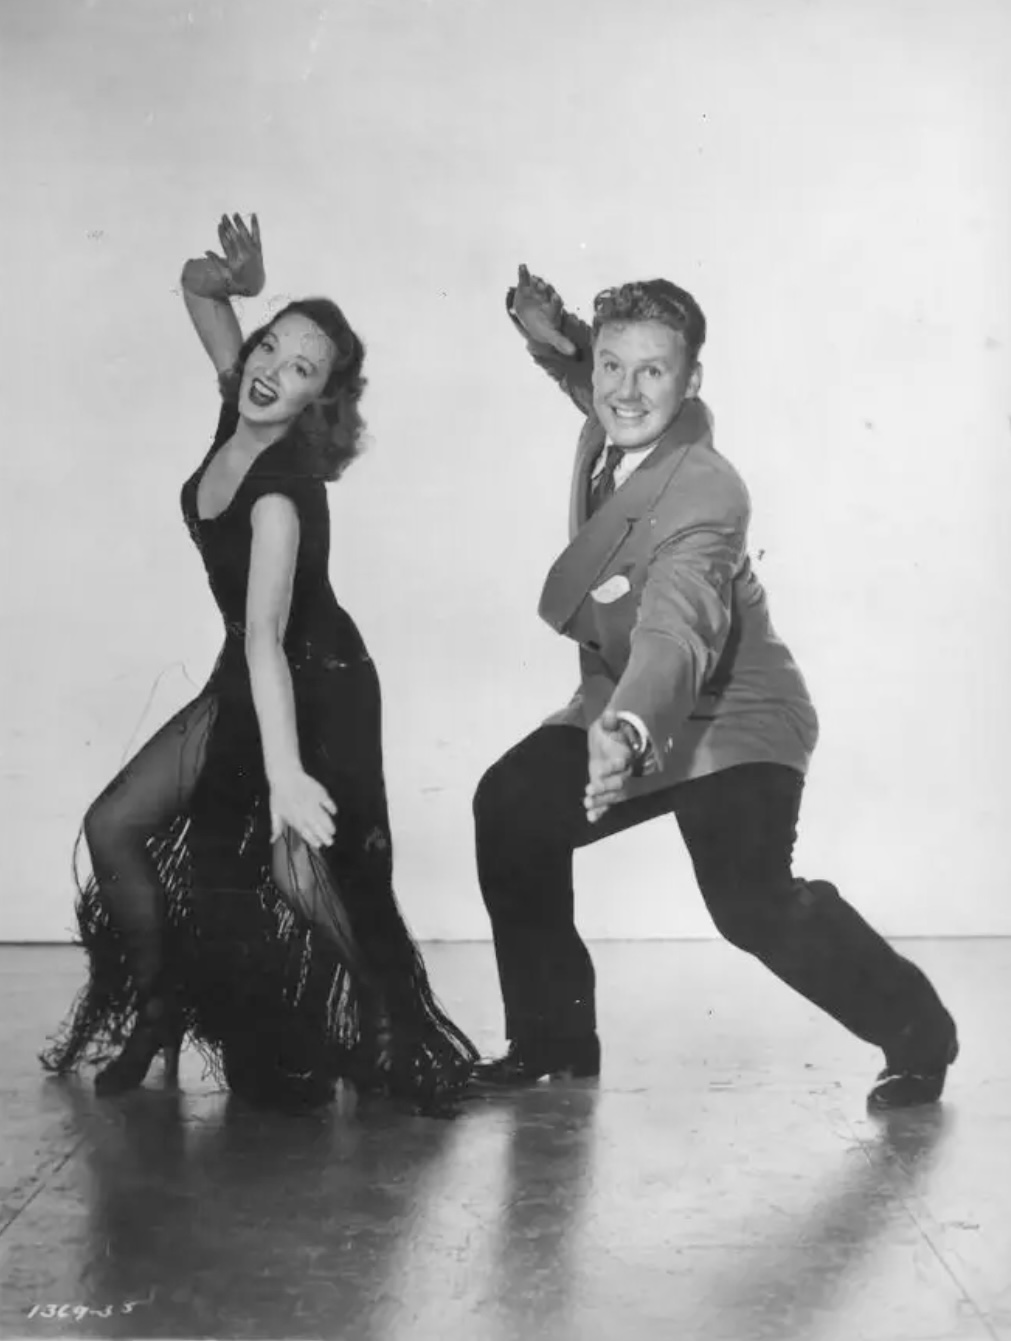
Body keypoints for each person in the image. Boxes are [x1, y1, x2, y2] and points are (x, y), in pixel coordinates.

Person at [471, 265, 958, 1111]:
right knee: (511, 806)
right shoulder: (612, 413)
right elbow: (594, 375)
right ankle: (552, 1039)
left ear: (691, 382)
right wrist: (551, 341)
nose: (623, 390)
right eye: (609, 367)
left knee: (750, 907)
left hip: (730, 712)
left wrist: (625, 727)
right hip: (633, 697)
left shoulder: (706, 491)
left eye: (651, 372)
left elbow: (676, 628)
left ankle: (919, 1031)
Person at [41, 214, 477, 1114]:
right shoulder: (237, 403)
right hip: (252, 670)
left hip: (319, 680)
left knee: (301, 870)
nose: (271, 370)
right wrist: (236, 280)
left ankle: (394, 1027)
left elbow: (265, 637)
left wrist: (284, 776)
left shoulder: (282, 491)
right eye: (269, 347)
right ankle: (159, 1010)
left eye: (300, 369)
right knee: (114, 823)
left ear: (319, 401)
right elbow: (196, 287)